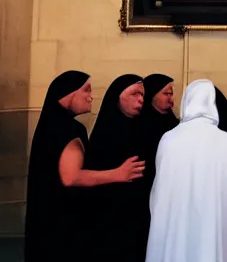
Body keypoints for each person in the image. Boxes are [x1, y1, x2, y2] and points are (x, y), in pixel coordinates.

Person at [24, 71, 144, 262]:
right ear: (68, 93)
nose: (91, 96)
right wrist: (118, 174)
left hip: (45, 221)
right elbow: (71, 177)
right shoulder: (69, 129)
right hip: (63, 223)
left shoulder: (50, 124)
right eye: (86, 90)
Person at [145, 79, 227, 262]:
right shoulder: (224, 140)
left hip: (173, 239)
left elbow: (157, 197)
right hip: (212, 240)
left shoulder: (168, 139)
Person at [86, 74, 146, 262]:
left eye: (143, 95)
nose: (141, 99)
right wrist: (117, 174)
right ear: (117, 96)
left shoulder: (142, 128)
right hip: (107, 213)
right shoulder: (105, 132)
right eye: (135, 94)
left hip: (137, 214)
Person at [139, 74, 179, 253]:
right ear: (153, 95)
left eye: (172, 94)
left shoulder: (176, 124)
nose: (171, 98)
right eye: (167, 93)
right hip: (146, 191)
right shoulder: (141, 124)